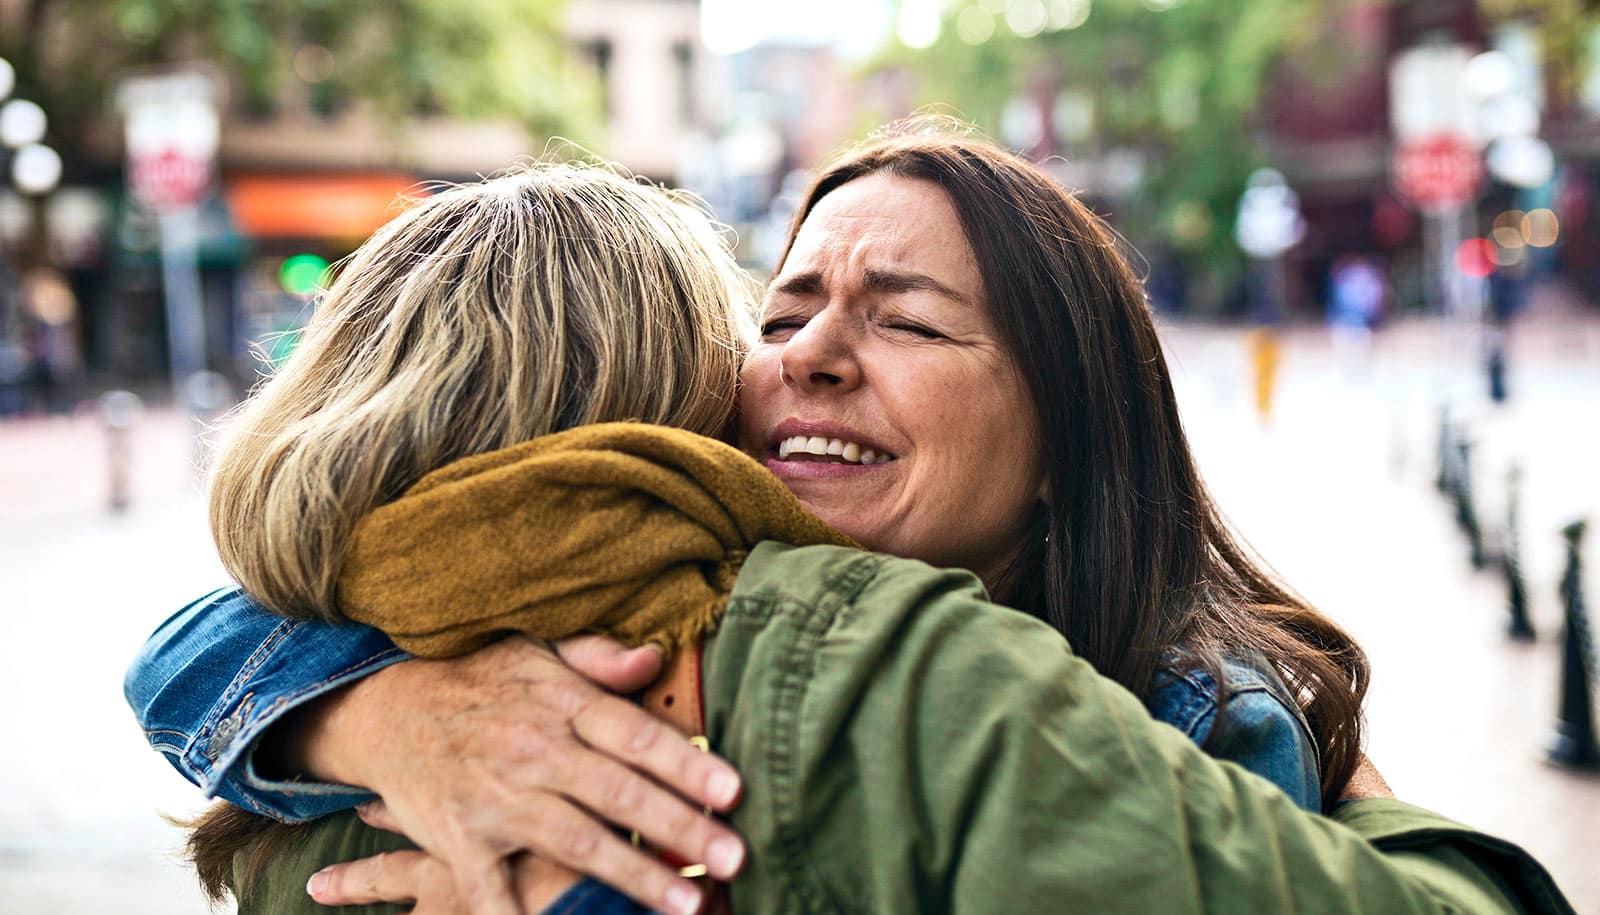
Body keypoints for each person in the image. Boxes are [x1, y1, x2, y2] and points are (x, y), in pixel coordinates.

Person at [126, 128, 1563, 913]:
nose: (808, 353)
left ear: (1070, 434)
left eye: (907, 321)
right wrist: (364, 711)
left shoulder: (1201, 722)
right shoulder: (625, 631)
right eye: (787, 309)